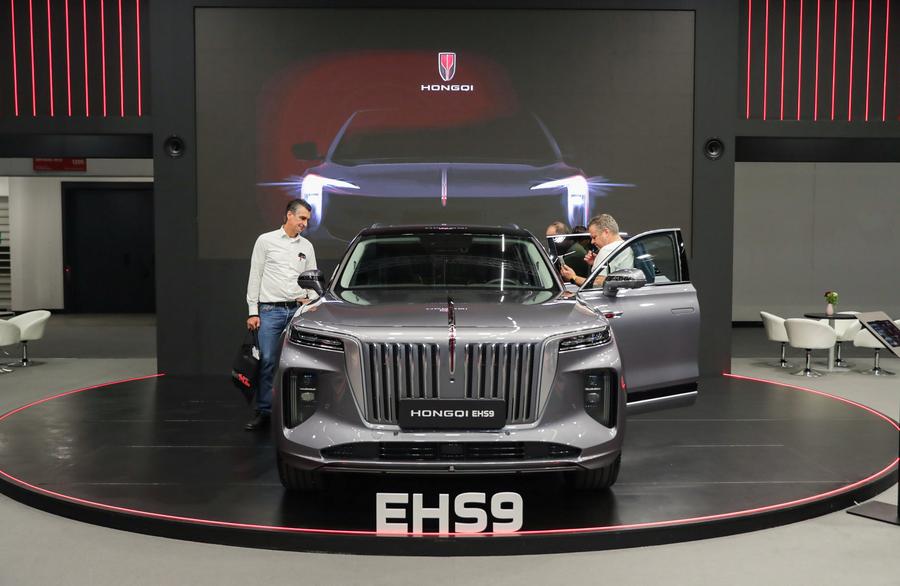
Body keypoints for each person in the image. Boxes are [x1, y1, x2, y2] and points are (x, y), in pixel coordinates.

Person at [244, 199, 317, 430]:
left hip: (297, 311)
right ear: (289, 215)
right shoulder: (265, 241)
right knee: (267, 361)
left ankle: (300, 412)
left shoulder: (307, 246)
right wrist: (252, 311)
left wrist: (311, 302)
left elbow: (312, 279)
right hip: (270, 310)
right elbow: (255, 276)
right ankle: (264, 411)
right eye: (302, 218)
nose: (305, 223)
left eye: (307, 220)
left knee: (302, 364)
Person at [560, 213, 633, 288]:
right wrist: (598, 263)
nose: (592, 242)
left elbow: (597, 285)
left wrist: (573, 278)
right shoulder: (627, 247)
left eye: (594, 237)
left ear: (606, 232)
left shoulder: (606, 250)